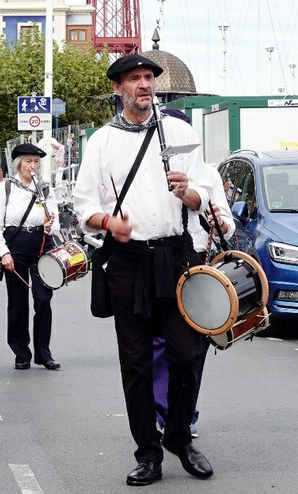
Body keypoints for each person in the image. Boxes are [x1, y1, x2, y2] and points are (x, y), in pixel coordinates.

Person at [72, 54, 214, 487]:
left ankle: (177, 436)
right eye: (134, 79)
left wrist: (191, 193)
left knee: (187, 354)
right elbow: (83, 207)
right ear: (119, 89)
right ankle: (147, 453)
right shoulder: (102, 142)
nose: (144, 85)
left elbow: (205, 188)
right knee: (134, 363)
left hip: (177, 255)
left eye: (149, 78)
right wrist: (108, 223)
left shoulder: (179, 130)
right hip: (128, 260)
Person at [154, 160, 234, 438]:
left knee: (195, 345)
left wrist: (221, 223)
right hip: (160, 259)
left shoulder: (207, 172)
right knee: (158, 341)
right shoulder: (150, 170)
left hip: (198, 261)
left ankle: (185, 414)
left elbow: (227, 223)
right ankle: (159, 411)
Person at [0, 143, 62, 370]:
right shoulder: (5, 188)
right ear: (19, 164)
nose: (33, 166)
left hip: (41, 243)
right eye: (28, 161)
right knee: (18, 302)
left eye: (36, 161)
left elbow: (55, 221)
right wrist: (4, 253)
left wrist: (50, 226)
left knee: (43, 299)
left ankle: (44, 353)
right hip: (16, 243)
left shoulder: (45, 188)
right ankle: (21, 353)